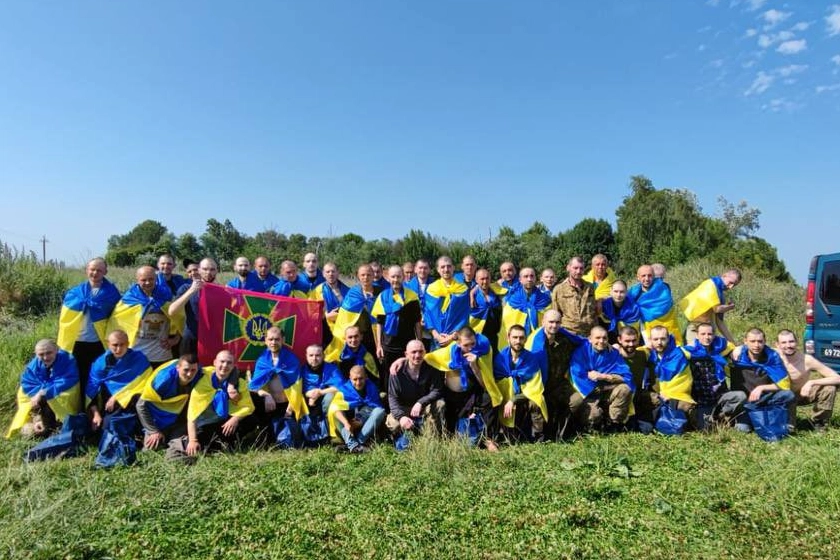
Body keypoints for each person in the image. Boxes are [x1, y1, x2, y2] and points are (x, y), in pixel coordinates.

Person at [423, 327, 502, 450]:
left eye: (472, 344)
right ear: (458, 343)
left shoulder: (482, 350)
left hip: (474, 389)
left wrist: (474, 366)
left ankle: (489, 439)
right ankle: (450, 434)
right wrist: (402, 360)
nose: (470, 348)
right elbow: (427, 357)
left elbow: (485, 385)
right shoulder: (449, 352)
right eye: (466, 345)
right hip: (455, 395)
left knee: (489, 398)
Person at [168, 350, 254, 460]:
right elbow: (192, 415)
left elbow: (248, 406)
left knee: (251, 419)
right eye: (222, 361)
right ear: (214, 363)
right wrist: (193, 440)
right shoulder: (203, 381)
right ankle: (189, 444)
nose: (225, 365)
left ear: (233, 366)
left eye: (229, 363)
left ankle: (226, 442)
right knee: (199, 443)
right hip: (204, 423)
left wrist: (235, 419)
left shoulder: (239, 382)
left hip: (223, 420)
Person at [57, 257, 121, 404]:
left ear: (105, 272)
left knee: (99, 376)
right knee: (78, 376)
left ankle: (98, 408)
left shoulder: (111, 293)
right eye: (92, 269)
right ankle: (80, 408)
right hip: (76, 343)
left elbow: (118, 318)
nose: (95, 273)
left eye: (99, 270)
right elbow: (65, 319)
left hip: (99, 343)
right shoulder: (75, 293)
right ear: (87, 270)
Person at [108, 265, 180, 369]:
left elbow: (180, 319)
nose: (147, 282)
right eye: (143, 280)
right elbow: (116, 324)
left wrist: (176, 339)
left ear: (156, 278)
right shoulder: (129, 299)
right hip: (135, 354)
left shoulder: (166, 296)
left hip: (161, 355)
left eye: (151, 279)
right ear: (137, 280)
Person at [6, 339, 80, 439]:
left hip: (60, 399)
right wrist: (37, 401)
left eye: (49, 353)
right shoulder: (33, 366)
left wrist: (42, 392)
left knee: (63, 395)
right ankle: (38, 421)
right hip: (41, 405)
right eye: (41, 354)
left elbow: (65, 381)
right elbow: (28, 385)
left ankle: (60, 423)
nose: (45, 357)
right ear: (36, 354)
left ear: (57, 349)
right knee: (28, 433)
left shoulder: (67, 360)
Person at [566, 326, 633, 433]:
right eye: (597, 338)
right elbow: (577, 375)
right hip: (588, 393)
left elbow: (626, 376)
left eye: (604, 338)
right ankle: (590, 428)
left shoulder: (613, 353)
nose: (601, 341)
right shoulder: (580, 352)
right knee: (594, 415)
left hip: (607, 389)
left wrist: (604, 376)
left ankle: (614, 424)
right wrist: (594, 386)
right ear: (590, 339)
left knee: (624, 389)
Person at [730, 328, 795, 434]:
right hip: (745, 403)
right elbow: (715, 345)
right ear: (745, 341)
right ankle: (756, 419)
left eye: (760, 341)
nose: (756, 345)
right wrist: (737, 347)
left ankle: (788, 424)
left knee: (788, 394)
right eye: (752, 341)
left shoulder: (772, 357)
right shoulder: (736, 356)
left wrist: (762, 388)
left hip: (765, 400)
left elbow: (784, 385)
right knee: (742, 429)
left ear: (765, 342)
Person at [86, 330, 153, 431]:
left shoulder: (139, 359)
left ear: (128, 344)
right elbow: (92, 389)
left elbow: (143, 382)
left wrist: (118, 396)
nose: (119, 349)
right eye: (115, 345)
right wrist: (96, 414)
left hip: (132, 399)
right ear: (108, 344)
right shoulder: (101, 363)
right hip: (109, 402)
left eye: (122, 345)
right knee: (105, 428)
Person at [684, 323, 745, 430]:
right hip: (702, 400)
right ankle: (710, 418)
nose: (707, 337)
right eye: (703, 334)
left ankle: (721, 415)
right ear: (697, 335)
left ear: (714, 335)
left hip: (720, 396)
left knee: (741, 396)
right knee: (706, 429)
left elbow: (739, 348)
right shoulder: (690, 353)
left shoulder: (719, 350)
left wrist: (737, 349)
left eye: (710, 334)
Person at [525, 310, 575, 440]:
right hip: (538, 385)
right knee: (535, 403)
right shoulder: (535, 343)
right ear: (543, 322)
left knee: (577, 400)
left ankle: (562, 433)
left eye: (557, 322)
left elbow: (582, 344)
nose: (554, 325)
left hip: (558, 384)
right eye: (551, 322)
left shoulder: (565, 339)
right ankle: (538, 436)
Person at [776, 329, 840, 431]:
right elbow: (752, 348)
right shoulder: (772, 357)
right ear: (777, 345)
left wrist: (811, 382)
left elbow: (837, 378)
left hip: (801, 394)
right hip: (780, 398)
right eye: (784, 342)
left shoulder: (807, 360)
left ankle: (819, 422)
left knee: (829, 388)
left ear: (796, 342)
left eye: (791, 341)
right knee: (788, 431)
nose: (788, 345)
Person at [493, 325, 548, 442]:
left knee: (537, 401)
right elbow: (496, 383)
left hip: (524, 396)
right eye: (515, 337)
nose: (518, 341)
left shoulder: (531, 359)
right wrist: (507, 398)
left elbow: (534, 389)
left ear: (525, 339)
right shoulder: (500, 358)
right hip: (504, 396)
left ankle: (537, 436)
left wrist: (513, 400)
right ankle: (498, 433)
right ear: (508, 338)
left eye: (521, 338)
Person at [249, 327, 308, 434]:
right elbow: (254, 386)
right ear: (265, 341)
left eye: (277, 339)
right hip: (269, 405)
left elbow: (297, 386)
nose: (273, 342)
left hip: (288, 406)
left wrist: (290, 409)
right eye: (270, 339)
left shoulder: (291, 359)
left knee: (289, 437)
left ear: (283, 340)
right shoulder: (262, 360)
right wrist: (266, 395)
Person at [136, 354, 201, 450]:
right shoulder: (162, 381)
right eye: (186, 370)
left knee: (181, 448)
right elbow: (140, 405)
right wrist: (153, 431)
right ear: (178, 368)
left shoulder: (200, 374)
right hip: (157, 419)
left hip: (179, 420)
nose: (189, 374)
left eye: (193, 370)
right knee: (150, 448)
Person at [386, 340, 446, 445]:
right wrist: (401, 417)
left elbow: (437, 390)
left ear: (425, 352)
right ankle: (401, 436)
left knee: (440, 404)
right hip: (403, 408)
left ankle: (433, 437)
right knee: (394, 424)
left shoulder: (431, 367)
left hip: (423, 407)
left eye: (420, 351)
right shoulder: (396, 370)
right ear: (406, 354)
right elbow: (392, 397)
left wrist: (420, 402)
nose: (417, 355)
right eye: (413, 352)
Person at [372, 265, 422, 376]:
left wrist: (419, 342)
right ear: (388, 278)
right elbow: (379, 323)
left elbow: (417, 322)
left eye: (398, 276)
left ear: (403, 277)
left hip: (407, 345)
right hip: (388, 345)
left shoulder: (412, 297)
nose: (396, 280)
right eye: (393, 277)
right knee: (388, 374)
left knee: (407, 374)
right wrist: (379, 345)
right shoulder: (383, 297)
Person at [328, 365, 386, 453]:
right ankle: (353, 445)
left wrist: (359, 421)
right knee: (335, 413)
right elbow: (335, 409)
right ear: (350, 378)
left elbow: (374, 406)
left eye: (361, 378)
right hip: (347, 427)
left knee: (380, 411)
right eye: (355, 379)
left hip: (363, 422)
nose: (358, 383)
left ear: (366, 377)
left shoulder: (372, 388)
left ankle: (357, 443)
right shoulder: (343, 391)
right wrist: (346, 423)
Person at [325, 264, 377, 362]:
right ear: (358, 276)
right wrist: (327, 316)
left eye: (369, 275)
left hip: (374, 334)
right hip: (355, 337)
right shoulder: (353, 293)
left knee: (374, 361)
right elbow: (344, 312)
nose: (366, 277)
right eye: (363, 275)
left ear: (373, 275)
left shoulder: (379, 292)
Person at [648, 326, 696, 430]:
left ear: (668, 338)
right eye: (656, 339)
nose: (659, 342)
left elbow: (681, 379)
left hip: (678, 395)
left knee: (686, 409)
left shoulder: (678, 354)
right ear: (650, 340)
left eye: (663, 339)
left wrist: (668, 395)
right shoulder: (650, 355)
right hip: (659, 395)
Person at [169, 257, 219, 356]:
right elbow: (172, 311)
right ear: (199, 270)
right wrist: (192, 290)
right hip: (191, 339)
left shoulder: (222, 291)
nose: (208, 272)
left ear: (217, 271)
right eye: (205, 269)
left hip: (213, 340)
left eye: (212, 269)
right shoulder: (186, 288)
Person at [613, 326, 657, 433]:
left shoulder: (643, 354)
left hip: (637, 394)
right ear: (619, 340)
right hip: (621, 397)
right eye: (627, 341)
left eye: (634, 340)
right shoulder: (613, 355)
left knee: (656, 400)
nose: (631, 344)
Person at [679, 269, 742, 344]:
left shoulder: (719, 293)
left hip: (707, 328)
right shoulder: (711, 285)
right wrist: (729, 307)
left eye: (734, 285)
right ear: (724, 275)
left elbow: (720, 322)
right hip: (695, 325)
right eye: (731, 282)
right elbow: (717, 309)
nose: (731, 287)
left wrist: (733, 343)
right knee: (691, 349)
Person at [628, 264, 682, 346]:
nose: (647, 279)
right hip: (647, 328)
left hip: (669, 325)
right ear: (638, 277)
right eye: (643, 276)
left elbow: (668, 305)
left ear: (654, 276)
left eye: (649, 275)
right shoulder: (633, 293)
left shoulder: (663, 288)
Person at [425, 256, 470, 349]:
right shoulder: (431, 289)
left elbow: (464, 316)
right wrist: (437, 336)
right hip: (436, 339)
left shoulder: (462, 289)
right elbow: (428, 314)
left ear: (453, 268)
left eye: (449, 266)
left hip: (456, 339)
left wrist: (452, 336)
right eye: (442, 267)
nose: (446, 270)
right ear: (438, 269)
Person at [500, 267, 552, 345]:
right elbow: (506, 322)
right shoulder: (513, 300)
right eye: (526, 276)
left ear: (535, 278)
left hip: (539, 340)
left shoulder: (545, 299)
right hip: (518, 340)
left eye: (532, 276)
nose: (529, 279)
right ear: (520, 280)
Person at [301, 344, 342, 438]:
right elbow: (297, 389)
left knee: (331, 397)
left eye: (317, 355)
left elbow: (340, 386)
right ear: (306, 356)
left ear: (323, 356)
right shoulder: (301, 370)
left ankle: (333, 433)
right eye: (311, 355)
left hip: (326, 401)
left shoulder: (331, 369)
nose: (314, 358)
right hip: (307, 403)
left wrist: (319, 392)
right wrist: (310, 395)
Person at [551, 256, 597, 336]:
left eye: (581, 268)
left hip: (588, 333)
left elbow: (594, 311)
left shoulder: (590, 287)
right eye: (575, 268)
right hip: (568, 332)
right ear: (568, 268)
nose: (578, 271)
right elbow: (555, 314)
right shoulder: (559, 289)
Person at [313, 261, 350, 343]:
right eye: (328, 272)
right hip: (325, 330)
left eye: (333, 271)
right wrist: (326, 316)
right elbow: (311, 314)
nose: (331, 274)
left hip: (344, 329)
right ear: (323, 274)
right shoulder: (317, 291)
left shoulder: (348, 291)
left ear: (338, 273)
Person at [598, 280, 642, 344]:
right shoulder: (603, 306)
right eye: (616, 291)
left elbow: (635, 330)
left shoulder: (633, 308)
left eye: (622, 292)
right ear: (611, 292)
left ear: (626, 292)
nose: (618, 295)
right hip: (607, 340)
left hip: (629, 341)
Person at [469, 268, 503, 351]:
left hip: (495, 334)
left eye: (487, 278)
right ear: (476, 280)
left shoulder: (496, 290)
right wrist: (471, 293)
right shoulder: (472, 295)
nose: (485, 281)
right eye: (482, 279)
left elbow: (506, 280)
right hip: (478, 333)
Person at [405, 259, 434, 349]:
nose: (423, 270)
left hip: (432, 325)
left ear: (429, 270)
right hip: (414, 326)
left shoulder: (435, 284)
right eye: (420, 268)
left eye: (425, 268)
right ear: (415, 269)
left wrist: (427, 318)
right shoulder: (407, 286)